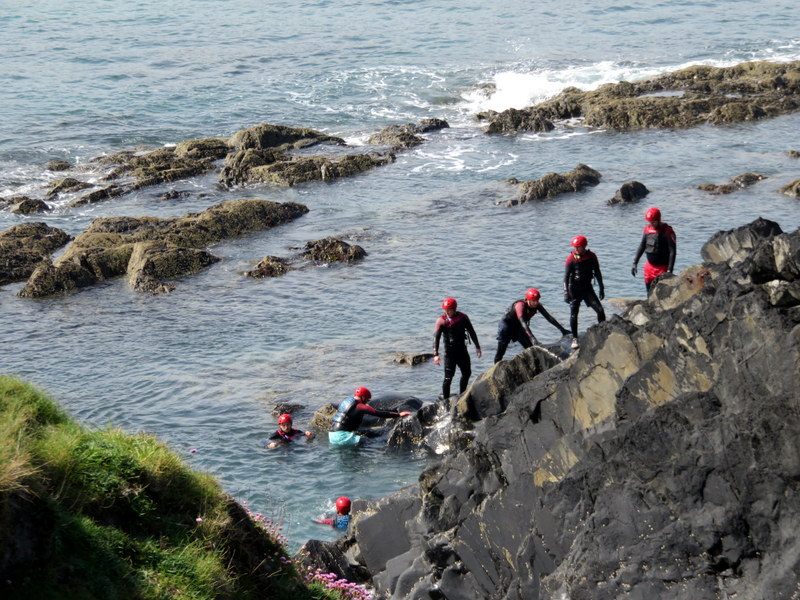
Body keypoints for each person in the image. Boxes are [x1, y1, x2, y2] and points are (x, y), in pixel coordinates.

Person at [494, 288, 570, 363]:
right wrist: (532, 337)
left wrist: (562, 330)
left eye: (537, 300)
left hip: (518, 327)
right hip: (506, 326)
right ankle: (496, 365)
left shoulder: (537, 305)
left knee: (530, 347)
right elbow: (523, 322)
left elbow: (549, 317)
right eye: (533, 301)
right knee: (501, 351)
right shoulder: (520, 305)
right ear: (528, 300)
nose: (536, 303)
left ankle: (531, 364)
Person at [432, 297, 482, 400]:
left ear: (454, 309)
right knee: (448, 378)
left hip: (462, 351)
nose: (446, 312)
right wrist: (435, 354)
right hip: (450, 353)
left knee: (467, 373)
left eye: (449, 310)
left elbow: (472, 331)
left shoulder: (463, 318)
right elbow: (436, 338)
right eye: (445, 310)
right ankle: (445, 401)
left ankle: (462, 395)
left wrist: (477, 346)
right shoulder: (441, 321)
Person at [328, 386, 412, 446]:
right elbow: (379, 413)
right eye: (367, 400)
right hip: (343, 437)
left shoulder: (346, 401)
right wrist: (399, 414)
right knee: (376, 442)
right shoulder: (360, 406)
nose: (367, 402)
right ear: (363, 397)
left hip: (332, 435)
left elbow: (335, 405)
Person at [563, 235, 606, 349]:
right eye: (574, 247)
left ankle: (602, 333)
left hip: (587, 289)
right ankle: (575, 338)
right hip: (574, 289)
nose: (576, 249)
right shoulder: (571, 259)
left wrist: (601, 287)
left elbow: (597, 272)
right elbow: (566, 277)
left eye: (578, 247)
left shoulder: (592, 257)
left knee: (600, 311)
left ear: (584, 246)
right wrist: (566, 292)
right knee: (574, 314)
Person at [631, 207, 677, 294]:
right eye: (650, 222)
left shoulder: (667, 231)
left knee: (661, 294)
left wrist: (669, 270)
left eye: (654, 222)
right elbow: (642, 246)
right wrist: (635, 262)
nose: (652, 224)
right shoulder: (647, 230)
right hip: (649, 268)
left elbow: (672, 251)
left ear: (658, 220)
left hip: (662, 268)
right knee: (649, 293)